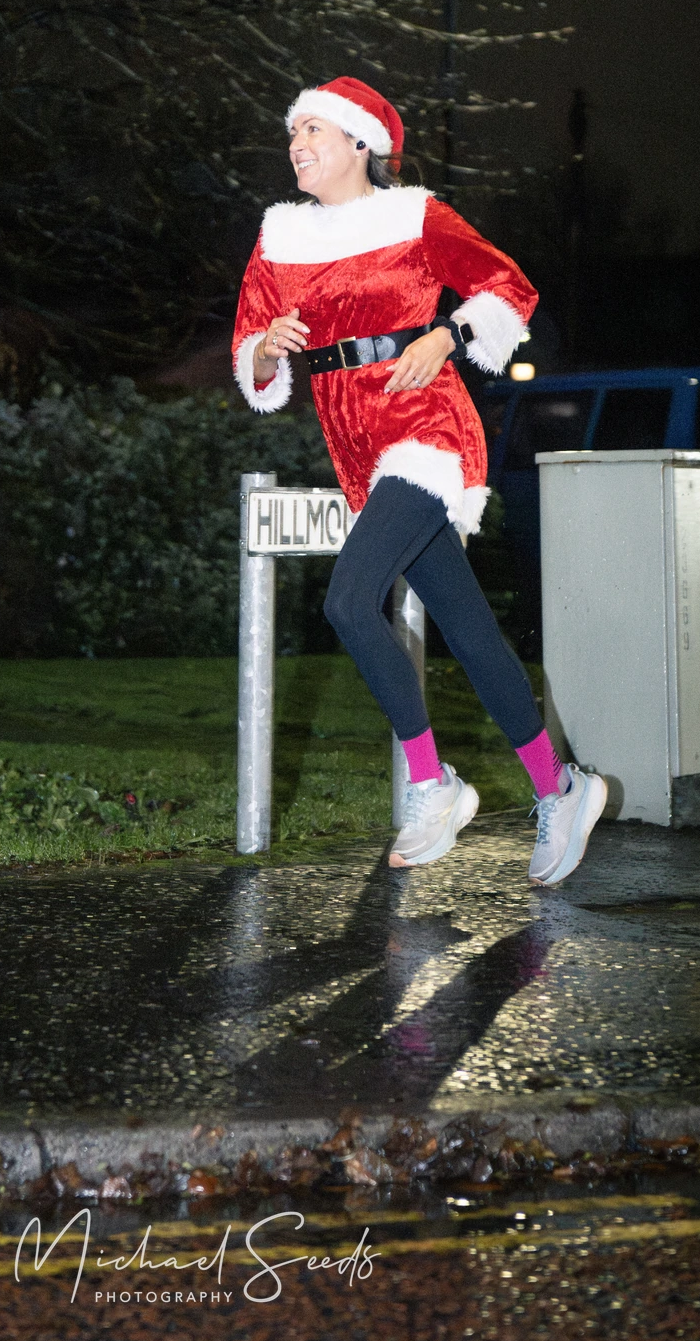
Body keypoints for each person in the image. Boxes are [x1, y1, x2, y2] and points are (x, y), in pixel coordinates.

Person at [231, 75, 606, 884]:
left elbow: (509, 285)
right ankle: (559, 787)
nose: (297, 145)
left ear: (361, 144)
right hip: (354, 441)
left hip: (425, 423)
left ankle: (433, 784)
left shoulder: (414, 216)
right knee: (467, 625)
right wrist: (266, 348)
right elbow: (249, 347)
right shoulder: (278, 239)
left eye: (315, 132)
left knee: (345, 599)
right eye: (292, 133)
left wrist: (447, 333)